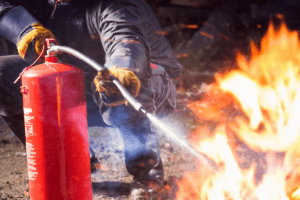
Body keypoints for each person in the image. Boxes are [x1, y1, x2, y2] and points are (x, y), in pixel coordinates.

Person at [0, 0, 182, 199]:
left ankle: (147, 175)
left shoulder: (113, 5)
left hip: (148, 81)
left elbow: (125, 37)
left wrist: (122, 66)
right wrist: (20, 26)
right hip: (77, 81)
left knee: (119, 79)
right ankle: (72, 164)